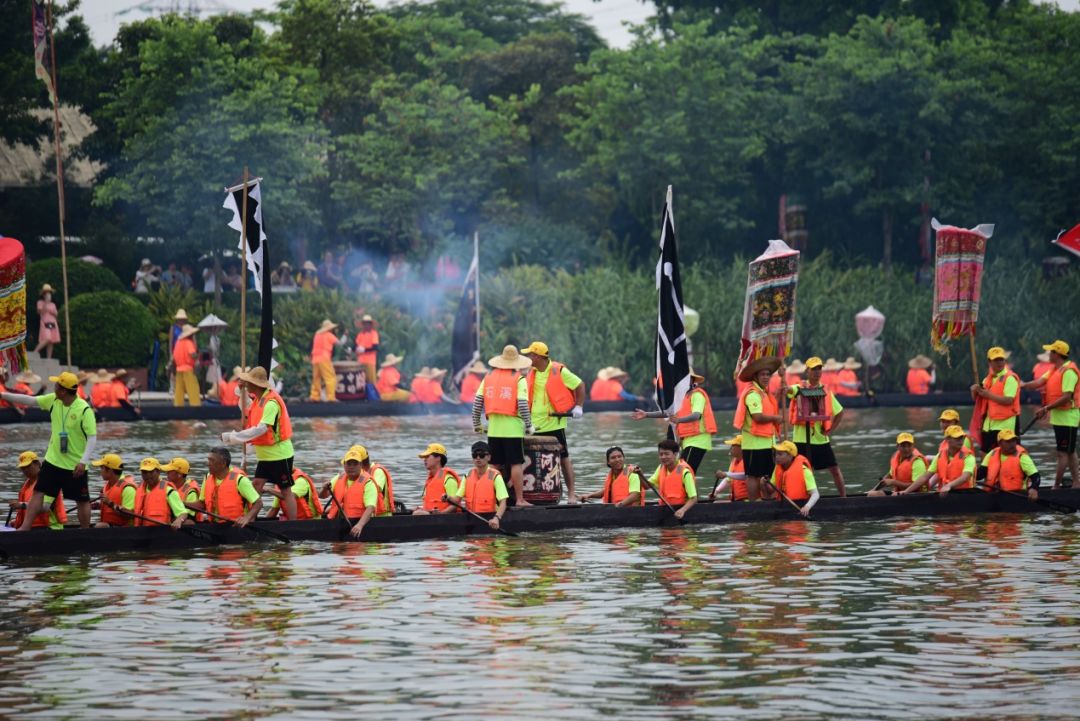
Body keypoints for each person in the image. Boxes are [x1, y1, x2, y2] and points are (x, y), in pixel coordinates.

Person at [0, 371, 96, 530]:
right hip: (53, 461)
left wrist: (83, 462)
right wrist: (3, 396)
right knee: (38, 492)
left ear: (63, 391)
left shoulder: (84, 410)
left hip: (75, 465)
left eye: (57, 385)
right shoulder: (53, 400)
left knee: (82, 500)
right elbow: (30, 400)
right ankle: (25, 528)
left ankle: (85, 532)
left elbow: (92, 438)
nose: (54, 387)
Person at [220, 366, 299, 520]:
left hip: (279, 455)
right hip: (265, 456)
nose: (247, 384)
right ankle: (252, 518)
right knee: (256, 485)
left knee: (285, 491)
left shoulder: (271, 403)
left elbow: (261, 429)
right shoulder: (257, 400)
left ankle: (293, 524)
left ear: (256, 385)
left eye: (249, 382)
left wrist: (232, 437)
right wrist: (241, 390)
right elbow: (244, 408)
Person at [471, 345, 534, 507]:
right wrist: (529, 425)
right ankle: (519, 499)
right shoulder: (519, 378)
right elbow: (522, 404)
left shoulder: (488, 377)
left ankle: (493, 500)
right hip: (512, 429)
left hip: (493, 429)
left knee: (494, 465)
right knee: (516, 463)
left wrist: (477, 423)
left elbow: (477, 402)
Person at [523, 341, 585, 503]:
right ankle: (537, 493)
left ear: (537, 356)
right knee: (532, 459)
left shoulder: (559, 370)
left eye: (530, 354)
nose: (528, 357)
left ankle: (571, 494)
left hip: (554, 423)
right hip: (533, 424)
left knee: (563, 459)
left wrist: (578, 406)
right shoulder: (531, 372)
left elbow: (580, 385)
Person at [631, 370, 716, 474]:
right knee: (683, 472)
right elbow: (667, 413)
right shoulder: (680, 398)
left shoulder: (697, 395)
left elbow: (696, 415)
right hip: (687, 439)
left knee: (684, 471)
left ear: (691, 381)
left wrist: (679, 420)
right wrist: (647, 414)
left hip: (698, 439)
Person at [1022, 339, 1078, 489]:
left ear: (1057, 354)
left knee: (1062, 453)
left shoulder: (1068, 371)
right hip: (1059, 417)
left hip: (1068, 418)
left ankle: (1056, 485)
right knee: (1070, 452)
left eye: (1051, 351)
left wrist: (1046, 408)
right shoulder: (1054, 369)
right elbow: (1038, 382)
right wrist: (1022, 385)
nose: (1048, 354)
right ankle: (1076, 483)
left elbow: (1066, 396)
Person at [787, 356, 847, 496]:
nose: (817, 371)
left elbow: (840, 412)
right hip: (801, 440)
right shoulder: (800, 387)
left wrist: (831, 430)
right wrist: (786, 388)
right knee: (804, 472)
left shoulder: (826, 391)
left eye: (819, 368)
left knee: (835, 470)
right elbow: (791, 390)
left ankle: (844, 499)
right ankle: (805, 498)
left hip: (820, 439)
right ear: (807, 371)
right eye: (813, 369)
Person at [733, 356, 783, 501]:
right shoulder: (753, 394)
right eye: (763, 374)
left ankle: (767, 500)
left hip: (767, 441)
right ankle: (754, 503)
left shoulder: (763, 392)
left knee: (767, 474)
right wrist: (775, 419)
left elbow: (769, 408)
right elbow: (758, 417)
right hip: (754, 443)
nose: (766, 377)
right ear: (755, 376)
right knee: (753, 475)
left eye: (768, 374)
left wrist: (779, 395)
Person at [188, 446, 262, 526]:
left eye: (212, 460)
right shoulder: (207, 478)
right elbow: (202, 505)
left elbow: (258, 503)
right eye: (208, 460)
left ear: (223, 463)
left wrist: (246, 518)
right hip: (214, 525)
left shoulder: (239, 479)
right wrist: (181, 504)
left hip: (235, 525)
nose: (208, 463)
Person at [970, 346, 1021, 453]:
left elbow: (1009, 400)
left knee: (1006, 455)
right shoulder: (987, 379)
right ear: (989, 361)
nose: (999, 363)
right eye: (996, 360)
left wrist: (989, 395)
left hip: (1005, 424)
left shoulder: (1010, 378)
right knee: (984, 454)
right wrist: (974, 391)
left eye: (1001, 359)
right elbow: (978, 400)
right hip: (988, 425)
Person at [901, 425, 976, 496]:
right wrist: (906, 491)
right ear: (947, 439)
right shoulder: (939, 456)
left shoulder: (969, 457)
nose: (960, 441)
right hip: (945, 493)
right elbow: (925, 477)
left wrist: (949, 485)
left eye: (962, 437)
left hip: (964, 494)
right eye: (957, 438)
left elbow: (965, 477)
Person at [631, 439, 697, 520]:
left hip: (680, 510)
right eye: (661, 454)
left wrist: (682, 510)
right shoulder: (661, 467)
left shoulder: (685, 472)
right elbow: (647, 486)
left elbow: (693, 498)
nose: (663, 457)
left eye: (666, 454)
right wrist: (640, 475)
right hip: (665, 509)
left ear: (675, 454)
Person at [340, 446, 395, 538]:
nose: (351, 466)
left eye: (354, 463)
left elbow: (373, 492)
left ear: (361, 463)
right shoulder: (354, 476)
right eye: (349, 463)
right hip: (363, 516)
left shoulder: (378, 472)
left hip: (381, 517)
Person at [453, 441, 509, 530]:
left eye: (482, 455)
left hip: (490, 519)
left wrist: (496, 518)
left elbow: (503, 502)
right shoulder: (467, 476)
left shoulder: (495, 476)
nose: (478, 458)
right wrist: (447, 498)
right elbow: (456, 500)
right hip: (471, 518)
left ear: (489, 457)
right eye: (475, 455)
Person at [7, 451, 66, 529]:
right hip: (33, 527)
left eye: (28, 466)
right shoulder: (27, 486)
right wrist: (16, 521)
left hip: (50, 528)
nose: (26, 470)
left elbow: (45, 508)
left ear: (38, 464)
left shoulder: (48, 481)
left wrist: (22, 505)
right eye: (23, 468)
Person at [979, 429, 1040, 501]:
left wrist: (1034, 489)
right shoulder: (992, 453)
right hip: (994, 493)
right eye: (1008, 441)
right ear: (1000, 443)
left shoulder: (1022, 457)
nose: (1012, 444)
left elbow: (1036, 477)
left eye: (1014, 440)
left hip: (1016, 495)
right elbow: (981, 474)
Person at [131, 458, 191, 527]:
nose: (148, 475)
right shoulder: (139, 489)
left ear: (158, 472)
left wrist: (178, 521)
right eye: (144, 472)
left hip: (161, 532)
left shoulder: (168, 491)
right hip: (141, 531)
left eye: (151, 472)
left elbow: (183, 513)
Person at [765, 441, 820, 517]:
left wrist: (807, 507)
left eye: (780, 454)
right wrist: (763, 483)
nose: (776, 457)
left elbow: (816, 494)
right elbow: (770, 490)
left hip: (800, 505)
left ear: (790, 456)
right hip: (783, 505)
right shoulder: (778, 468)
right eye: (776, 454)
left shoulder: (804, 471)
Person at [413, 443, 463, 515]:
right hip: (433, 518)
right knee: (416, 511)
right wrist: (421, 508)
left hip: (446, 519)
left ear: (438, 458)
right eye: (424, 457)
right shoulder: (430, 481)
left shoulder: (449, 480)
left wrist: (441, 514)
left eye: (427, 456)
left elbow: (455, 504)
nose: (424, 460)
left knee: (417, 513)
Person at [93, 453, 136, 528]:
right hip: (111, 527)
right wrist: (99, 506)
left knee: (99, 526)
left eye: (102, 468)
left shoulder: (128, 488)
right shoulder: (108, 485)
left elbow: (130, 515)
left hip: (126, 530)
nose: (100, 471)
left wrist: (110, 504)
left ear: (109, 470)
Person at [161, 457, 201, 527]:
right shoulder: (166, 487)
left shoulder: (191, 492)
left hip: (185, 522)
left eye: (170, 471)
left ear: (179, 474)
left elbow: (189, 516)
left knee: (188, 522)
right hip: (168, 519)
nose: (167, 472)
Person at [309, 319, 342, 402]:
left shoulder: (317, 335)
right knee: (330, 377)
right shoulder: (329, 335)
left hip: (315, 359)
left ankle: (315, 397)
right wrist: (344, 336)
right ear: (330, 328)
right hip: (324, 358)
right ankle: (331, 397)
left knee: (316, 378)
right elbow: (340, 343)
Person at [172, 323, 201, 407]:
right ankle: (195, 407)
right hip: (188, 370)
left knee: (179, 391)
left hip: (179, 370)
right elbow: (192, 354)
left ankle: (178, 407)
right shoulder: (188, 342)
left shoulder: (178, 343)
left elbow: (174, 358)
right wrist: (198, 356)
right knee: (193, 389)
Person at [711, 436, 747, 502]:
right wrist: (716, 491)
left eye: (733, 445)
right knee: (715, 503)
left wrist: (726, 474)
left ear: (741, 448)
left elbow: (745, 476)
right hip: (736, 500)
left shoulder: (748, 461)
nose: (731, 448)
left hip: (746, 500)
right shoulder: (734, 462)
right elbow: (728, 479)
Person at [34, 283, 60, 359]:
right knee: (47, 338)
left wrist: (53, 312)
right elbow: (40, 312)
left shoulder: (53, 304)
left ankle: (49, 358)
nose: (48, 295)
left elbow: (56, 314)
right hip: (45, 322)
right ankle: (35, 352)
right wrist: (46, 303)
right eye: (47, 294)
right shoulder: (40, 302)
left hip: (53, 322)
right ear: (44, 295)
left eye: (49, 294)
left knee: (51, 340)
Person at [353, 313, 380, 383]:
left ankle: (372, 394)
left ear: (370, 325)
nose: (366, 325)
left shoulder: (374, 333)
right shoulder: (360, 334)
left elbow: (375, 348)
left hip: (370, 361)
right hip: (360, 361)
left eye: (367, 324)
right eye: (364, 324)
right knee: (361, 382)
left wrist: (364, 350)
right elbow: (355, 345)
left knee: (371, 381)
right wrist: (354, 349)